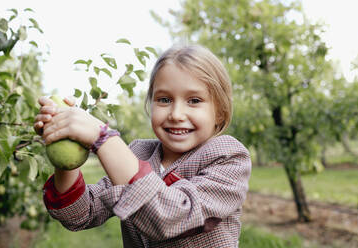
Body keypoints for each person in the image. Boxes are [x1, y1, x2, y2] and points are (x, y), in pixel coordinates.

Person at [34, 44, 252, 248]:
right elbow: (79, 215)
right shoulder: (139, 153)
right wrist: (64, 143)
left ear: (220, 112)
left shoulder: (228, 157)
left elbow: (170, 217)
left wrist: (102, 137)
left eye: (194, 100)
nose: (176, 115)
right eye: (164, 100)